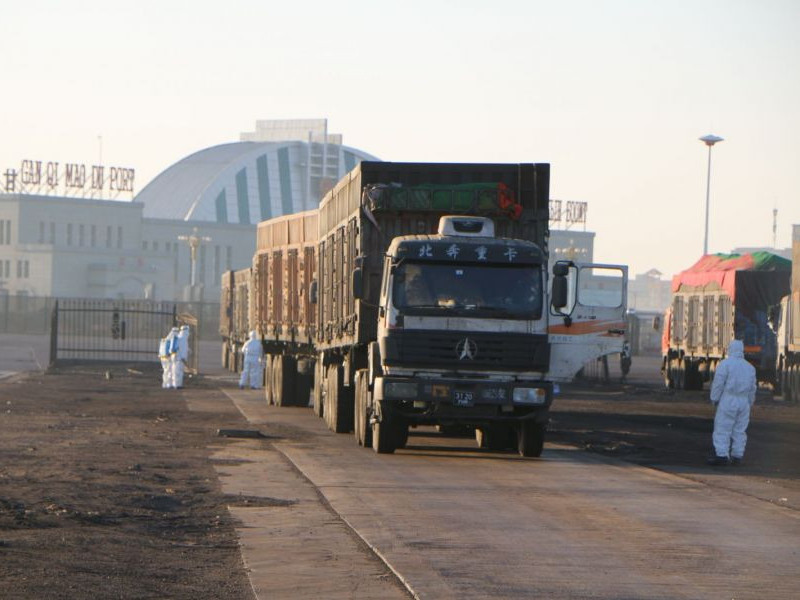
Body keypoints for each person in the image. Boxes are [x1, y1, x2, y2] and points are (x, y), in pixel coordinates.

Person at [708, 339, 757, 466]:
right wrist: (750, 402)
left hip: (728, 400)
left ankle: (722, 455)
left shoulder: (725, 364)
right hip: (744, 402)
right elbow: (753, 388)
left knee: (723, 428)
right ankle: (737, 455)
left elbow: (718, 384)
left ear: (730, 349)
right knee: (740, 430)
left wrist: (714, 398)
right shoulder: (750, 367)